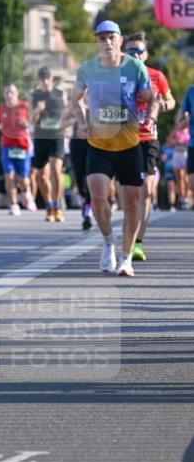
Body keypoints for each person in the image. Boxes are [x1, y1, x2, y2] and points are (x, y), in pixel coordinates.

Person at [70, 20, 157, 277]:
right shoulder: (87, 68)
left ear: (120, 40)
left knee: (131, 202)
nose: (106, 42)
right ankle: (108, 242)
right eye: (101, 38)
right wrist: (82, 122)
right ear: (96, 42)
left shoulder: (135, 67)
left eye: (111, 37)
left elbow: (151, 98)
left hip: (130, 144)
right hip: (99, 144)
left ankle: (126, 257)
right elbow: (75, 98)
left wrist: (151, 118)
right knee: (97, 193)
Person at [121, 32, 175, 261]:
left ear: (146, 54)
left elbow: (171, 101)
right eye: (131, 51)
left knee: (147, 191)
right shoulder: (119, 75)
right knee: (129, 194)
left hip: (148, 139)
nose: (135, 54)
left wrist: (162, 104)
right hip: (123, 139)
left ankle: (137, 243)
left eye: (139, 51)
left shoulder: (156, 76)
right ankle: (127, 236)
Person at [0, 83, 37, 215]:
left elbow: (33, 123)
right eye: (7, 92)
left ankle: (25, 192)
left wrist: (28, 124)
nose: (9, 95)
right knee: (9, 176)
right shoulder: (0, 109)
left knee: (23, 178)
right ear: (4, 95)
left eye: (12, 92)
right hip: (7, 146)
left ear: (17, 93)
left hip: (23, 146)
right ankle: (14, 204)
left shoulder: (25, 107)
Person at [30, 66, 66, 221]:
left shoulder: (60, 94)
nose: (45, 81)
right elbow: (31, 120)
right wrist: (37, 110)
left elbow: (67, 113)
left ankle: (58, 206)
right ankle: (49, 206)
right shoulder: (35, 95)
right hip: (40, 137)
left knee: (56, 170)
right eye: (42, 78)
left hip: (57, 136)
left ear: (52, 79)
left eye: (47, 78)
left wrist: (67, 125)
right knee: (42, 175)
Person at [176, 83, 194, 207]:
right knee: (191, 181)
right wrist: (183, 121)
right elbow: (180, 118)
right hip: (193, 143)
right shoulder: (191, 91)